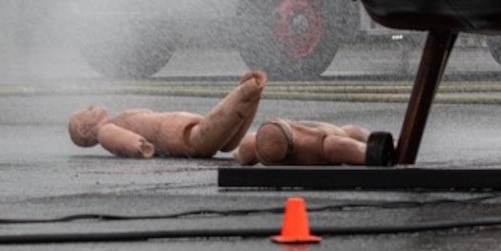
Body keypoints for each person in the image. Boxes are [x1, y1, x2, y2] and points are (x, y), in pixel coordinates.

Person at [66, 70, 265, 158]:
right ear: (84, 130)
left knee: (225, 140)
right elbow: (122, 140)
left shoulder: (113, 122)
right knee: (203, 134)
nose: (90, 106)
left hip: (177, 129)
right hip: (176, 134)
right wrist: (140, 146)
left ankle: (250, 97)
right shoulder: (105, 131)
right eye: (86, 111)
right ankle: (247, 92)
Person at [233, 119, 394, 168]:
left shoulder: (326, 145)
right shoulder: (324, 145)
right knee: (350, 132)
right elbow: (369, 153)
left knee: (351, 132)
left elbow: (239, 153)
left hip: (333, 135)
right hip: (332, 138)